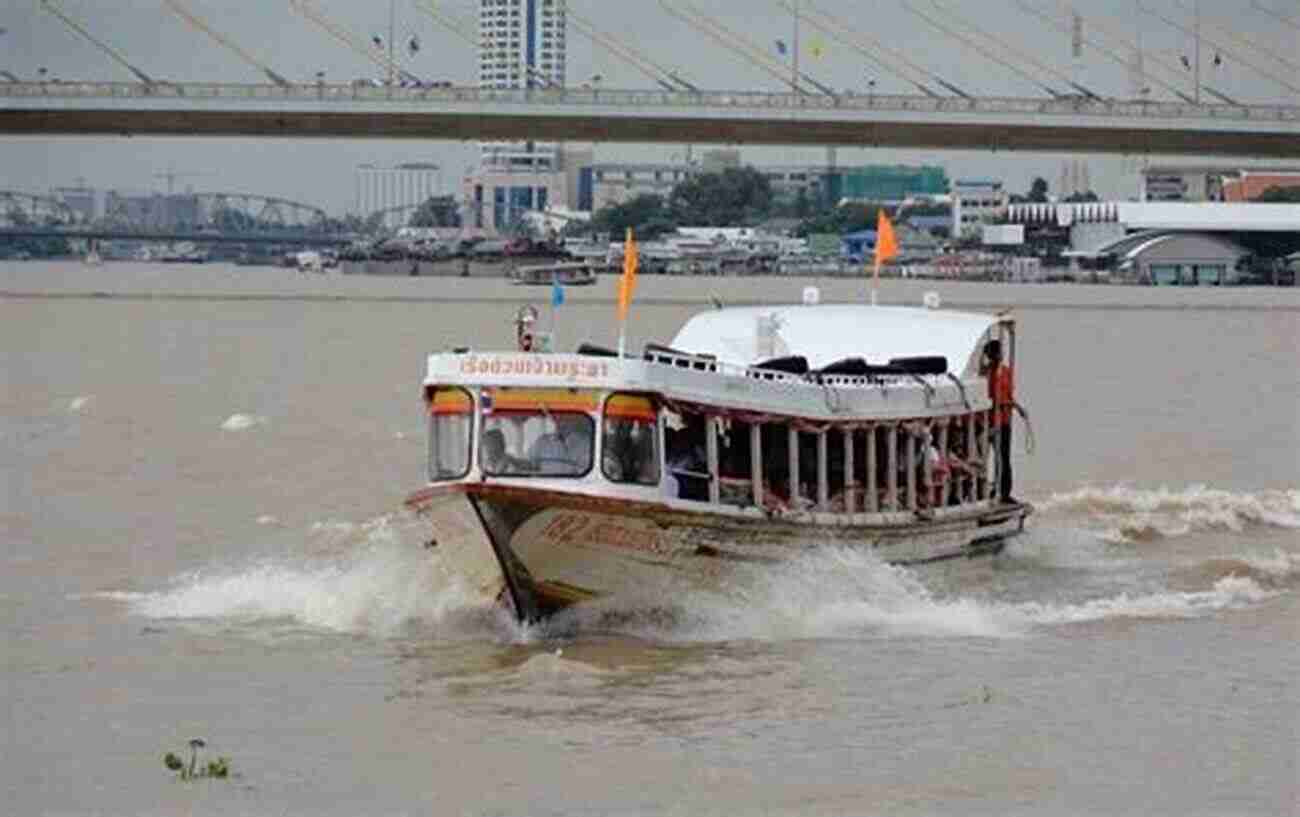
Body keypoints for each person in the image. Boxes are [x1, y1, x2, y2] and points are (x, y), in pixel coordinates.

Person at [981, 339, 1015, 503]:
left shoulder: (1006, 372)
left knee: (1003, 458)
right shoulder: (985, 374)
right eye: (998, 352)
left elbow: (1007, 395)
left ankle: (1004, 492)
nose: (1001, 355)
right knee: (984, 457)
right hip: (988, 421)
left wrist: (1011, 404)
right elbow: (987, 398)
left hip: (1004, 421)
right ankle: (985, 489)